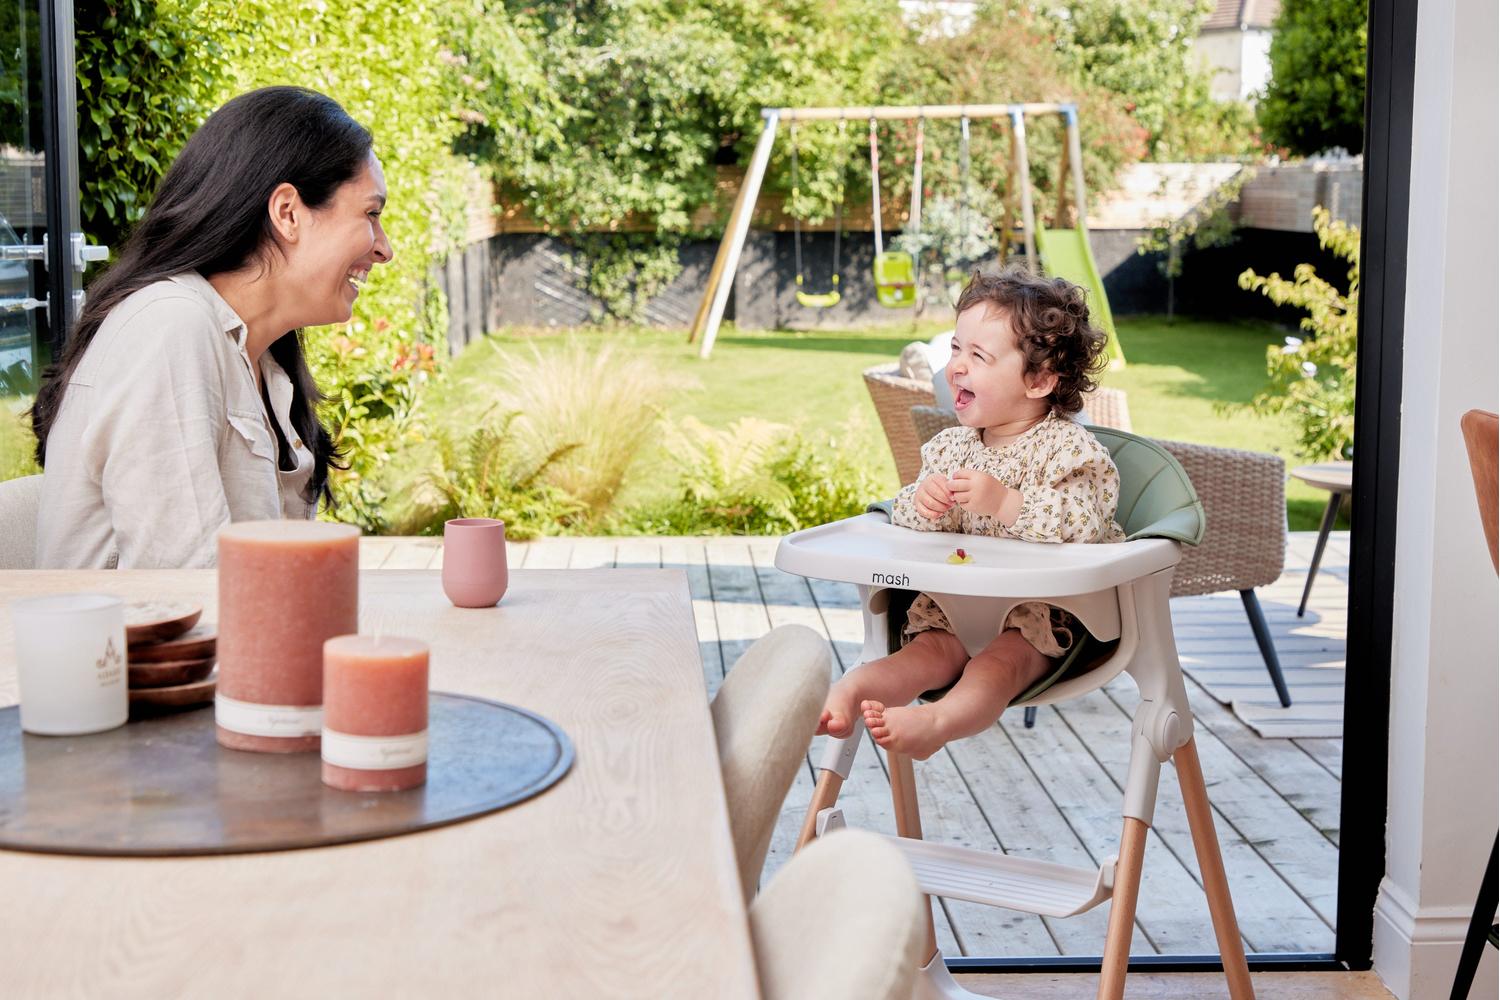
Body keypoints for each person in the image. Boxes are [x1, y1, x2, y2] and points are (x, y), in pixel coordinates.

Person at [30, 86, 392, 568]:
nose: (384, 248)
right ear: (287, 213)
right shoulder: (170, 326)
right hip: (137, 644)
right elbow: (189, 582)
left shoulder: (262, 358)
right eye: (371, 214)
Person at [817, 267, 1125, 760]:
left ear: (1040, 379)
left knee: (996, 667)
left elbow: (1083, 521)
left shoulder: (1068, 449)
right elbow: (908, 523)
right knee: (923, 654)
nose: (956, 367)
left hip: (1039, 616)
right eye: (955, 349)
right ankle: (851, 693)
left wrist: (1006, 503)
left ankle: (937, 722)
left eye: (978, 356)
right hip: (955, 605)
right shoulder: (949, 448)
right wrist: (924, 506)